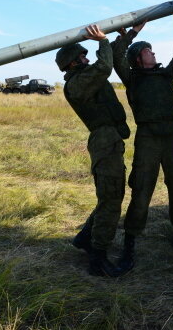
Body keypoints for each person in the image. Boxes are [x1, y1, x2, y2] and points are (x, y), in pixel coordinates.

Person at [112, 2, 173, 270]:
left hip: (172, 136)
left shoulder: (165, 74)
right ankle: (129, 245)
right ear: (138, 58)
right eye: (148, 51)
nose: (153, 53)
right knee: (142, 189)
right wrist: (132, 33)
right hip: (148, 138)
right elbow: (116, 56)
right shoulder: (132, 78)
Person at [56, 24, 131, 277]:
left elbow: (108, 58)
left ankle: (85, 238)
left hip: (109, 139)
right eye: (82, 57)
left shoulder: (84, 77)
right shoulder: (77, 84)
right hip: (104, 142)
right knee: (111, 199)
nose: (86, 59)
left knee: (109, 195)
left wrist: (129, 34)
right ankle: (98, 259)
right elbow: (104, 66)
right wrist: (103, 41)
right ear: (73, 63)